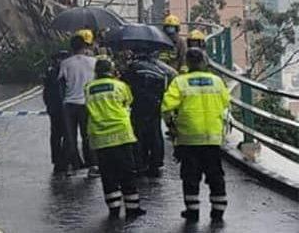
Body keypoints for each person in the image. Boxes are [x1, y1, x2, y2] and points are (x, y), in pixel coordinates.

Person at [162, 48, 231, 224]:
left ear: (187, 62)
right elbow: (225, 102)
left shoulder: (180, 82)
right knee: (215, 175)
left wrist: (171, 126)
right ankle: (218, 212)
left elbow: (166, 107)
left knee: (190, 176)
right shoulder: (217, 81)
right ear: (204, 61)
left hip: (188, 138)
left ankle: (192, 212)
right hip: (212, 138)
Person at [85, 57, 146, 220]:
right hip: (121, 135)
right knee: (126, 172)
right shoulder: (120, 86)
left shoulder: (89, 88)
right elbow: (129, 101)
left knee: (107, 173)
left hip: (100, 137)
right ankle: (133, 208)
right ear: (111, 71)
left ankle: (113, 209)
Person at [122, 50, 175, 178]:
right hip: (155, 104)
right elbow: (168, 80)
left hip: (138, 104)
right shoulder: (160, 68)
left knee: (138, 134)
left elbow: (125, 84)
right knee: (155, 133)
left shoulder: (134, 67)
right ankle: (156, 162)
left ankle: (141, 162)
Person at [58, 34, 98, 177]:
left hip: (69, 105)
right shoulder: (93, 62)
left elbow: (61, 83)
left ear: (71, 47)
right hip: (87, 104)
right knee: (88, 135)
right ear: (85, 46)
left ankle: (70, 166)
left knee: (70, 136)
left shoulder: (65, 63)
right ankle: (93, 166)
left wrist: (63, 100)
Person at [43, 51, 71, 174]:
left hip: (55, 108)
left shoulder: (50, 72)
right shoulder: (66, 72)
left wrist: (48, 105)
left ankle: (58, 162)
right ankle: (65, 161)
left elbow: (46, 92)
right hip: (63, 107)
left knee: (56, 134)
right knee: (66, 134)